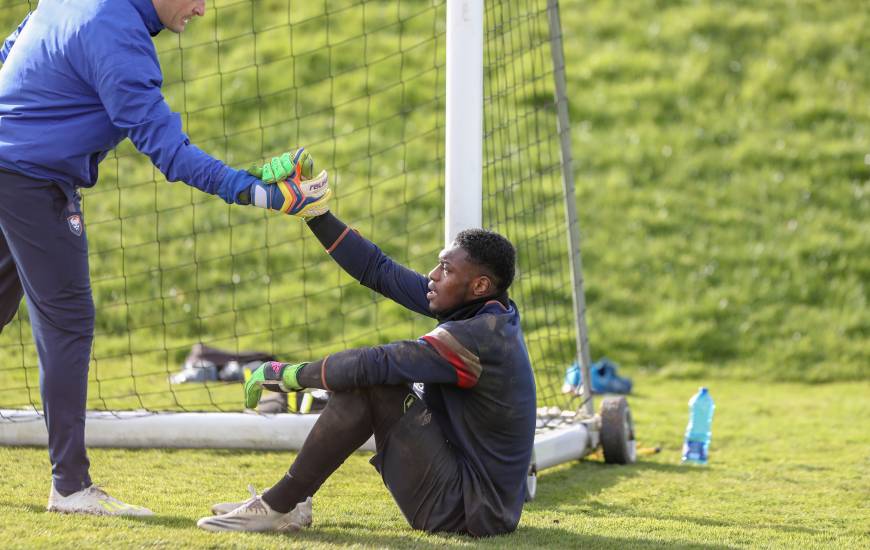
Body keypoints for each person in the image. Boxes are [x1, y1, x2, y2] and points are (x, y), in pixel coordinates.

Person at [0, 0, 329, 516]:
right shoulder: (117, 34)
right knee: (69, 322)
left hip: (9, 164)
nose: (201, 8)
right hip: (30, 180)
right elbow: (169, 153)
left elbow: (8, 50)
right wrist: (260, 194)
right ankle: (70, 488)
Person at [196, 185, 537, 537]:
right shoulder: (485, 310)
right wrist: (314, 213)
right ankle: (289, 502)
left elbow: (378, 363)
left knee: (371, 383)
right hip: (473, 498)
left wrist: (291, 374)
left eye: (446, 269)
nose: (433, 275)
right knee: (372, 379)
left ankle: (278, 505)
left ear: (480, 285)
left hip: (466, 511)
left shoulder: (478, 337)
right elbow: (378, 269)